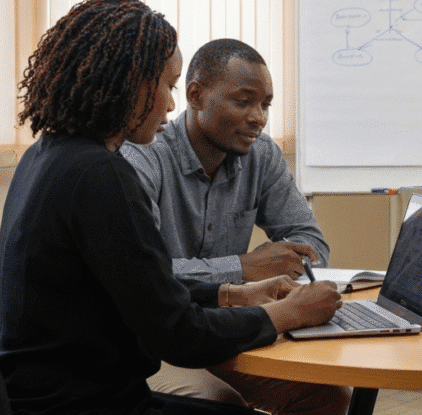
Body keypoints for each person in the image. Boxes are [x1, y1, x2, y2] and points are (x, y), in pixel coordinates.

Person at [0, 0, 343, 415]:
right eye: (167, 86)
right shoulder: (103, 176)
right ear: (129, 84)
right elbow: (177, 333)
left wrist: (232, 294)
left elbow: (143, 287)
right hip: (85, 403)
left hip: (42, 392)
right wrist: (285, 314)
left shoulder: (47, 155)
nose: (171, 104)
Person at [121, 38, 348, 412]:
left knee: (328, 396)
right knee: (219, 401)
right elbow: (147, 279)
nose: (258, 117)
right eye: (243, 102)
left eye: (265, 105)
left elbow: (312, 246)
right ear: (194, 96)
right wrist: (241, 268)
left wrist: (283, 272)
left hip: (233, 325)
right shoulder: (143, 156)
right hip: (158, 338)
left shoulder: (262, 154)